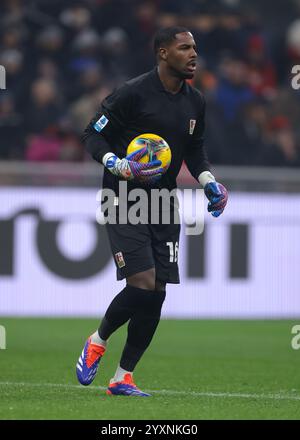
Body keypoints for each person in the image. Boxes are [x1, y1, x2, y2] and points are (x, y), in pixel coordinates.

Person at [76, 26, 228, 397]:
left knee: (157, 290)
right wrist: (116, 163)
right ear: (163, 53)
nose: (193, 54)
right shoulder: (132, 93)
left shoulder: (196, 102)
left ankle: (122, 377)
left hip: (163, 202)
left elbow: (195, 150)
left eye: (195, 48)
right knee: (142, 281)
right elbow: (91, 135)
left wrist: (209, 180)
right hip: (124, 198)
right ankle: (97, 339)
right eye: (184, 48)